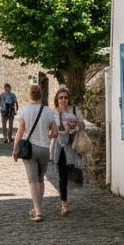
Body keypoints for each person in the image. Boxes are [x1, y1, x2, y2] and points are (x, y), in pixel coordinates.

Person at [12, 83, 55, 222]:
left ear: (30, 95)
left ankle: (37, 211)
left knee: (33, 181)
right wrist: (46, 136)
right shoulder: (48, 111)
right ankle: (38, 207)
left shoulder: (24, 111)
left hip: (29, 149)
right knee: (41, 179)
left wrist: (15, 149)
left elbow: (20, 131)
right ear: (41, 95)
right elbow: (54, 132)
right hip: (44, 149)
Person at [50, 87, 86, 217]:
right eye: (61, 98)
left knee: (74, 172)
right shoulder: (53, 114)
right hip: (59, 148)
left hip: (73, 146)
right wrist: (56, 132)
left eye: (65, 97)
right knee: (62, 176)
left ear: (68, 99)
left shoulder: (75, 110)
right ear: (57, 100)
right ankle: (64, 204)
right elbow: (50, 132)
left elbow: (83, 125)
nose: (63, 100)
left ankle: (67, 195)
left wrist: (75, 125)